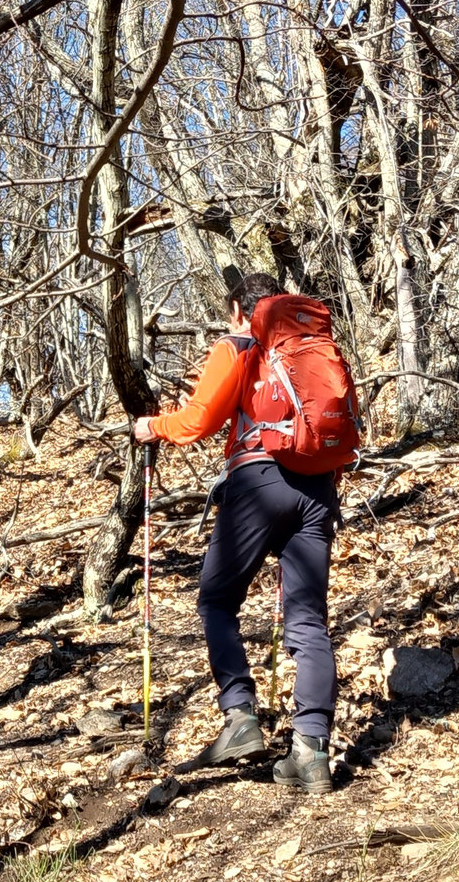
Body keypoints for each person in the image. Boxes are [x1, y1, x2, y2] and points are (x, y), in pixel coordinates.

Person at [132, 272, 345, 794]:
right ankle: (312, 751)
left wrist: (151, 426)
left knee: (217, 600)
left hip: (258, 482)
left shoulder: (241, 346)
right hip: (318, 488)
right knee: (308, 620)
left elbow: (199, 420)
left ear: (238, 310)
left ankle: (240, 716)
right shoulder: (317, 350)